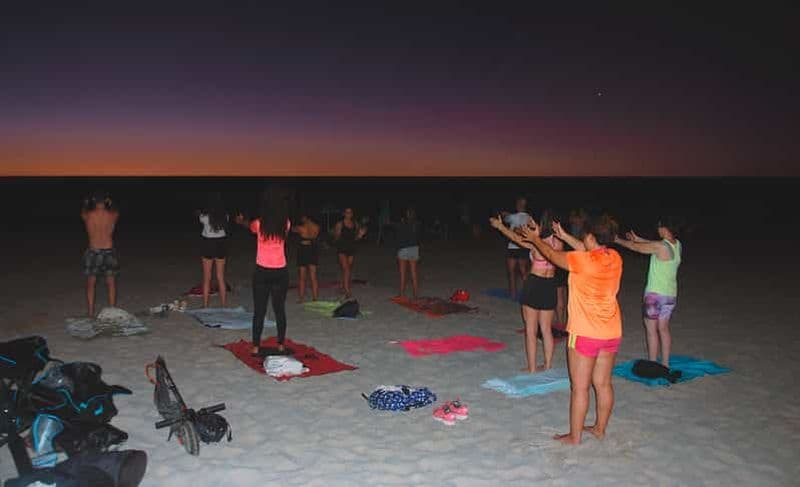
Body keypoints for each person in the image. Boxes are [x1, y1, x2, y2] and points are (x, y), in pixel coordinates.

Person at [492, 213, 622, 445]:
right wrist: (564, 236)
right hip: (611, 332)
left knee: (579, 388)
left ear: (591, 237)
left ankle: (575, 436)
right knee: (603, 384)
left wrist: (535, 238)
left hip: (585, 333)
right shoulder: (614, 257)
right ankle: (600, 429)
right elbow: (585, 248)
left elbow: (551, 254)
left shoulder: (582, 261)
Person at [490, 209, 563, 372]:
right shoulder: (559, 243)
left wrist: (501, 227)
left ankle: (531, 368)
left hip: (535, 283)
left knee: (531, 330)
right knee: (546, 329)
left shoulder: (536, 241)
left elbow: (516, 239)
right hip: (550, 284)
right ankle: (548, 364)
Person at [614, 217, 682, 367]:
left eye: (659, 227)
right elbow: (652, 245)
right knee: (663, 329)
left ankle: (652, 364)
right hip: (670, 295)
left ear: (664, 228)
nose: (657, 230)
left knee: (651, 331)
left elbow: (636, 248)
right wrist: (638, 238)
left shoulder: (660, 247)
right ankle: (665, 364)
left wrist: (618, 240)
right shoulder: (677, 245)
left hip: (654, 296)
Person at [236, 187, 291, 355]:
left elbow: (250, 227)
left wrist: (241, 221)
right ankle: (281, 344)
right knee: (279, 309)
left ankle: (255, 346)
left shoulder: (259, 224)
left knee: (259, 311)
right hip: (280, 271)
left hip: (262, 271)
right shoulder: (286, 224)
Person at [81, 191, 120, 317]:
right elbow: (115, 211)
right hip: (108, 251)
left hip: (94, 251)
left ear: (94, 202)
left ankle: (91, 312)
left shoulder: (88, 215)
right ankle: (112, 310)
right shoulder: (112, 215)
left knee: (91, 284)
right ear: (105, 201)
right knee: (111, 283)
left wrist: (87, 203)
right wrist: (111, 203)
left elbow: (84, 211)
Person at [197, 192, 229, 308]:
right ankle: (224, 305)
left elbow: (201, 219)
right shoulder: (225, 216)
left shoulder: (204, 217)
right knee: (220, 276)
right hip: (221, 243)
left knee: (207, 277)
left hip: (208, 243)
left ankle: (205, 305)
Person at [501, 197, 533, 297]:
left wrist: (505, 214)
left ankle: (513, 293)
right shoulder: (529, 217)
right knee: (523, 272)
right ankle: (527, 293)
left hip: (513, 247)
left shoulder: (513, 217)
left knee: (511, 272)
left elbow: (505, 219)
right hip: (524, 246)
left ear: (518, 205)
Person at [333, 208, 367, 299]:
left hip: (351, 248)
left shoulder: (355, 224)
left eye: (350, 212)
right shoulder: (340, 224)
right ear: (344, 213)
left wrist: (360, 235)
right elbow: (335, 238)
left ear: (352, 214)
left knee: (347, 269)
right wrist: (337, 234)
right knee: (347, 269)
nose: (349, 214)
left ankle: (342, 285)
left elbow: (356, 238)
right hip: (342, 249)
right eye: (347, 212)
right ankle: (347, 291)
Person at [291, 215, 320, 302]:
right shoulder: (316, 227)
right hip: (312, 249)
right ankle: (315, 297)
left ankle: (301, 298)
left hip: (303, 250)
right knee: (313, 276)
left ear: (305, 218)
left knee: (302, 277)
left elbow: (292, 229)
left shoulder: (301, 228)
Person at [395, 207, 421, 299]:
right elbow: (418, 237)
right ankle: (416, 294)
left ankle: (402, 293)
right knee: (414, 272)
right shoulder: (417, 224)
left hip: (404, 249)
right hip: (414, 248)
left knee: (403, 273)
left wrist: (397, 250)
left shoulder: (402, 224)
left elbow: (399, 237)